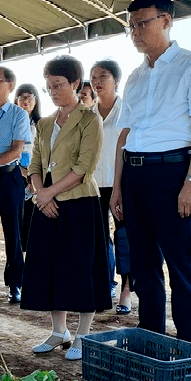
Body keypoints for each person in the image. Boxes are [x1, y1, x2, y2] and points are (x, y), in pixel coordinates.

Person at [109, 0, 191, 345]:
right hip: (135, 174)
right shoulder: (136, 77)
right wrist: (118, 187)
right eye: (131, 25)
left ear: (166, 21)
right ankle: (151, 339)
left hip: (173, 174)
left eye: (143, 23)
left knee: (181, 267)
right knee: (143, 265)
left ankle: (189, 350)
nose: (136, 31)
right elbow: (124, 136)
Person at [23, 56, 111, 360]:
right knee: (50, 268)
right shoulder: (44, 123)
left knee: (80, 269)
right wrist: (40, 195)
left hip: (79, 204)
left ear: (75, 84)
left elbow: (84, 166)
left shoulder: (90, 119)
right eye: (48, 87)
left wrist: (47, 194)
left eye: (58, 85)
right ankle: (59, 331)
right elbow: (34, 164)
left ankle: (84, 335)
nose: (53, 91)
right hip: (47, 204)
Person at [0, 66, 33, 303]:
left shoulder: (18, 114)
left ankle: (15, 285)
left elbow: (16, 149)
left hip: (9, 178)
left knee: (13, 233)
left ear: (10, 85)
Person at [89, 60, 132, 311]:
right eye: (93, 77)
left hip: (122, 184)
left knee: (124, 237)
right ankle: (104, 288)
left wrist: (122, 187)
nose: (97, 82)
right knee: (99, 240)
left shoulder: (128, 109)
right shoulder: (86, 114)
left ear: (116, 80)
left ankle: (126, 291)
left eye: (103, 76)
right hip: (92, 186)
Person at [15, 84, 42, 250]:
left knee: (34, 230)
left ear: (36, 101)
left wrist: (34, 178)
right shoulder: (11, 123)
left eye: (29, 96)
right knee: (17, 228)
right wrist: (24, 173)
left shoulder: (43, 124)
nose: (25, 100)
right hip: (16, 177)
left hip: (37, 182)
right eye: (21, 97)